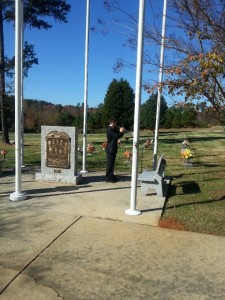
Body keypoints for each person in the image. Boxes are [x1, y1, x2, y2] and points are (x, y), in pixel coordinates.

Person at [105, 117, 125, 183]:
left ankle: (112, 176)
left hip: (113, 148)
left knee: (112, 164)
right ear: (113, 122)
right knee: (110, 164)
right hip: (110, 149)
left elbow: (117, 134)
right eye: (115, 122)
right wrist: (121, 132)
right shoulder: (109, 129)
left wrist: (121, 131)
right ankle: (108, 178)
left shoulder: (113, 128)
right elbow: (116, 136)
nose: (116, 123)